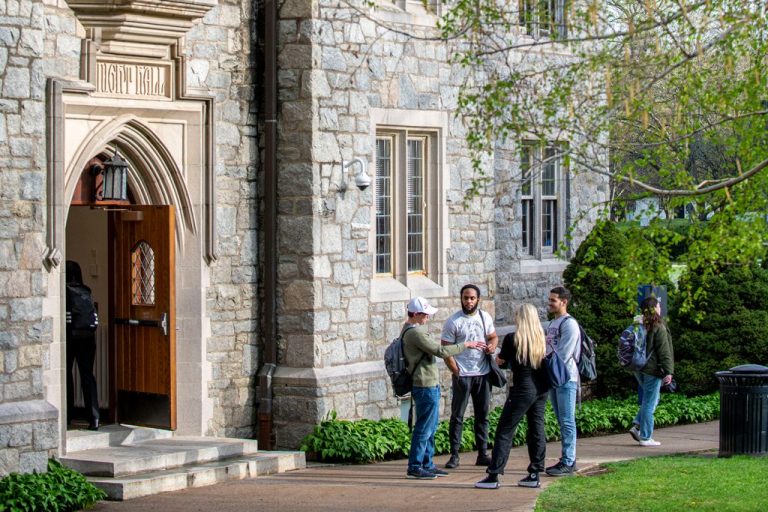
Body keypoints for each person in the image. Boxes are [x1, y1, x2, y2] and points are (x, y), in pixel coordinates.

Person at [403, 296, 483, 479]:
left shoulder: (412, 330)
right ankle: (415, 466)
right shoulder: (415, 333)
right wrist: (466, 345)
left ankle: (427, 464)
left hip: (428, 384)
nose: (427, 318)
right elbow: (441, 351)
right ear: (415, 314)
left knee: (430, 426)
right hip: (424, 385)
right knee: (424, 427)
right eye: (424, 315)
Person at [475, 304, 549, 489]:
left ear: (521, 318)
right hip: (541, 388)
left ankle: (494, 475)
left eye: (516, 315)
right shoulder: (541, 338)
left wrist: (497, 357)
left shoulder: (512, 339)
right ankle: (535, 473)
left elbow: (502, 361)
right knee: (536, 428)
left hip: (522, 388)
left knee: (505, 430)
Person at [441, 284, 498, 468]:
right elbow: (445, 349)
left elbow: (493, 336)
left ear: (478, 299)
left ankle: (482, 453)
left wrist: (492, 346)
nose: (469, 301)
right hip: (463, 374)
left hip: (482, 373)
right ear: (461, 298)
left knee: (482, 415)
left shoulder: (484, 317)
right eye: (466, 297)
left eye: (472, 298)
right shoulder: (453, 321)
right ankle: (455, 455)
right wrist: (455, 370)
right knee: (457, 416)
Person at [544, 286, 579, 476]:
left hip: (566, 378)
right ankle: (566, 459)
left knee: (567, 421)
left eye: (553, 300)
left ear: (563, 302)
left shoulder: (569, 324)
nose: (549, 303)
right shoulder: (553, 323)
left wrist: (546, 365)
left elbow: (564, 354)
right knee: (561, 420)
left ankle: (568, 461)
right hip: (554, 378)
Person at [631, 296, 674, 446]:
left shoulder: (638, 323)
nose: (660, 308)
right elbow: (664, 352)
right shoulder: (658, 326)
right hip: (652, 369)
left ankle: (637, 424)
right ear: (654, 308)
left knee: (650, 399)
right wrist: (668, 371)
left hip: (637, 367)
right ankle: (646, 437)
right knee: (650, 402)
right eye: (658, 306)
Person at [65, 260, 100, 431]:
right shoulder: (87, 291)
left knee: (66, 374)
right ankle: (94, 417)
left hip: (70, 336)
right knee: (87, 375)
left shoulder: (64, 290)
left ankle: (67, 414)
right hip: (88, 337)